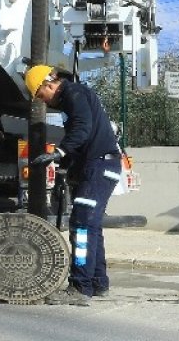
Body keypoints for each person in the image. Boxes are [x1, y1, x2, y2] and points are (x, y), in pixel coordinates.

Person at [26, 64, 122, 305]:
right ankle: (98, 282)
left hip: (99, 167)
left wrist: (58, 152)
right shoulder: (74, 97)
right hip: (101, 166)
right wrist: (66, 166)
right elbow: (83, 138)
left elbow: (82, 129)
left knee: (81, 225)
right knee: (91, 226)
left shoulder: (74, 94)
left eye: (40, 95)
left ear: (48, 84)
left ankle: (80, 287)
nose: (43, 101)